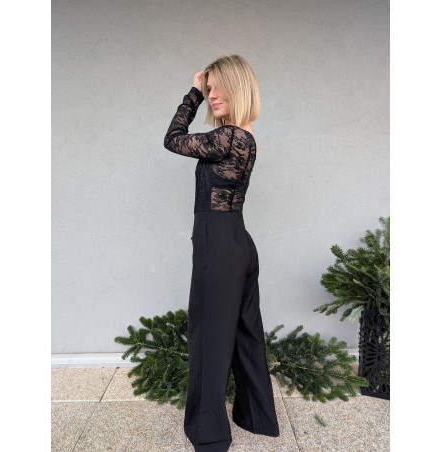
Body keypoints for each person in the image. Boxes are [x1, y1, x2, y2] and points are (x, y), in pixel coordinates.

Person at [164, 54, 279, 452]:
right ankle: (257, 417)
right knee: (246, 335)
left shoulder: (227, 136)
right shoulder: (245, 136)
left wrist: (192, 93)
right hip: (238, 243)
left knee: (209, 338)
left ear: (237, 87)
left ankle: (209, 434)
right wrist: (203, 90)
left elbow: (173, 138)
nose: (211, 94)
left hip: (219, 246)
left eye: (216, 87)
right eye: (207, 88)